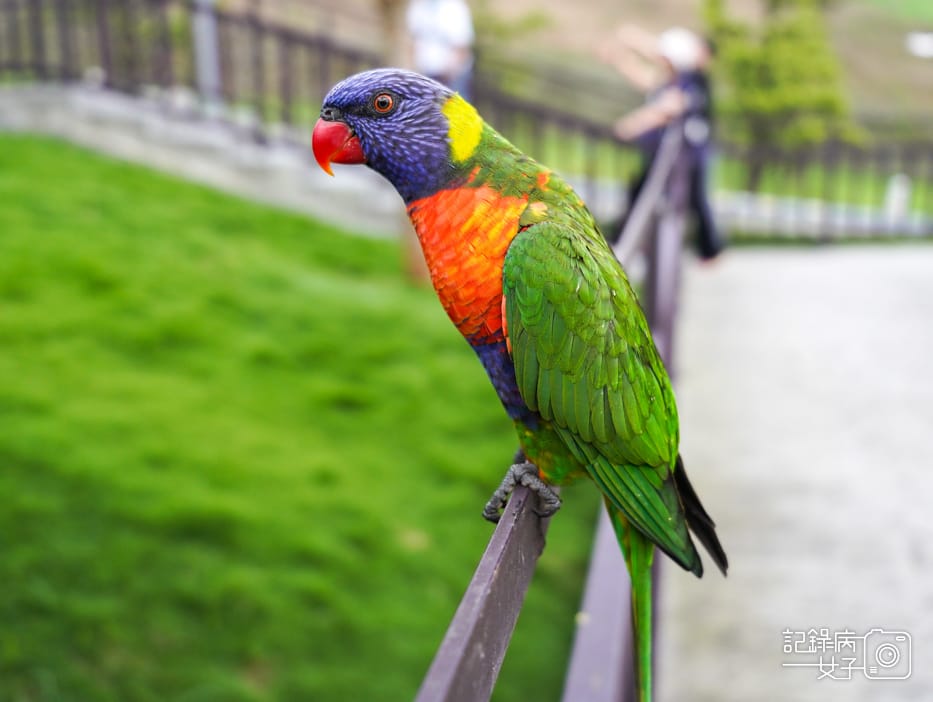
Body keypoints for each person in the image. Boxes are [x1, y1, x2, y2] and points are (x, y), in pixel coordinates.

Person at [599, 26, 724, 260]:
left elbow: (664, 108)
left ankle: (709, 253)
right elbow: (648, 75)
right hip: (673, 155)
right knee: (646, 194)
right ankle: (627, 245)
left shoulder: (689, 81)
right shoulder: (674, 78)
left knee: (692, 202)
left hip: (688, 156)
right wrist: (623, 49)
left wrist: (631, 126)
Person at [406, 0, 475, 100]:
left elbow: (461, 46)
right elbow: (414, 39)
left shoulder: (454, 7)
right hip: (427, 74)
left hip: (452, 76)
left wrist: (450, 71)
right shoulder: (418, 6)